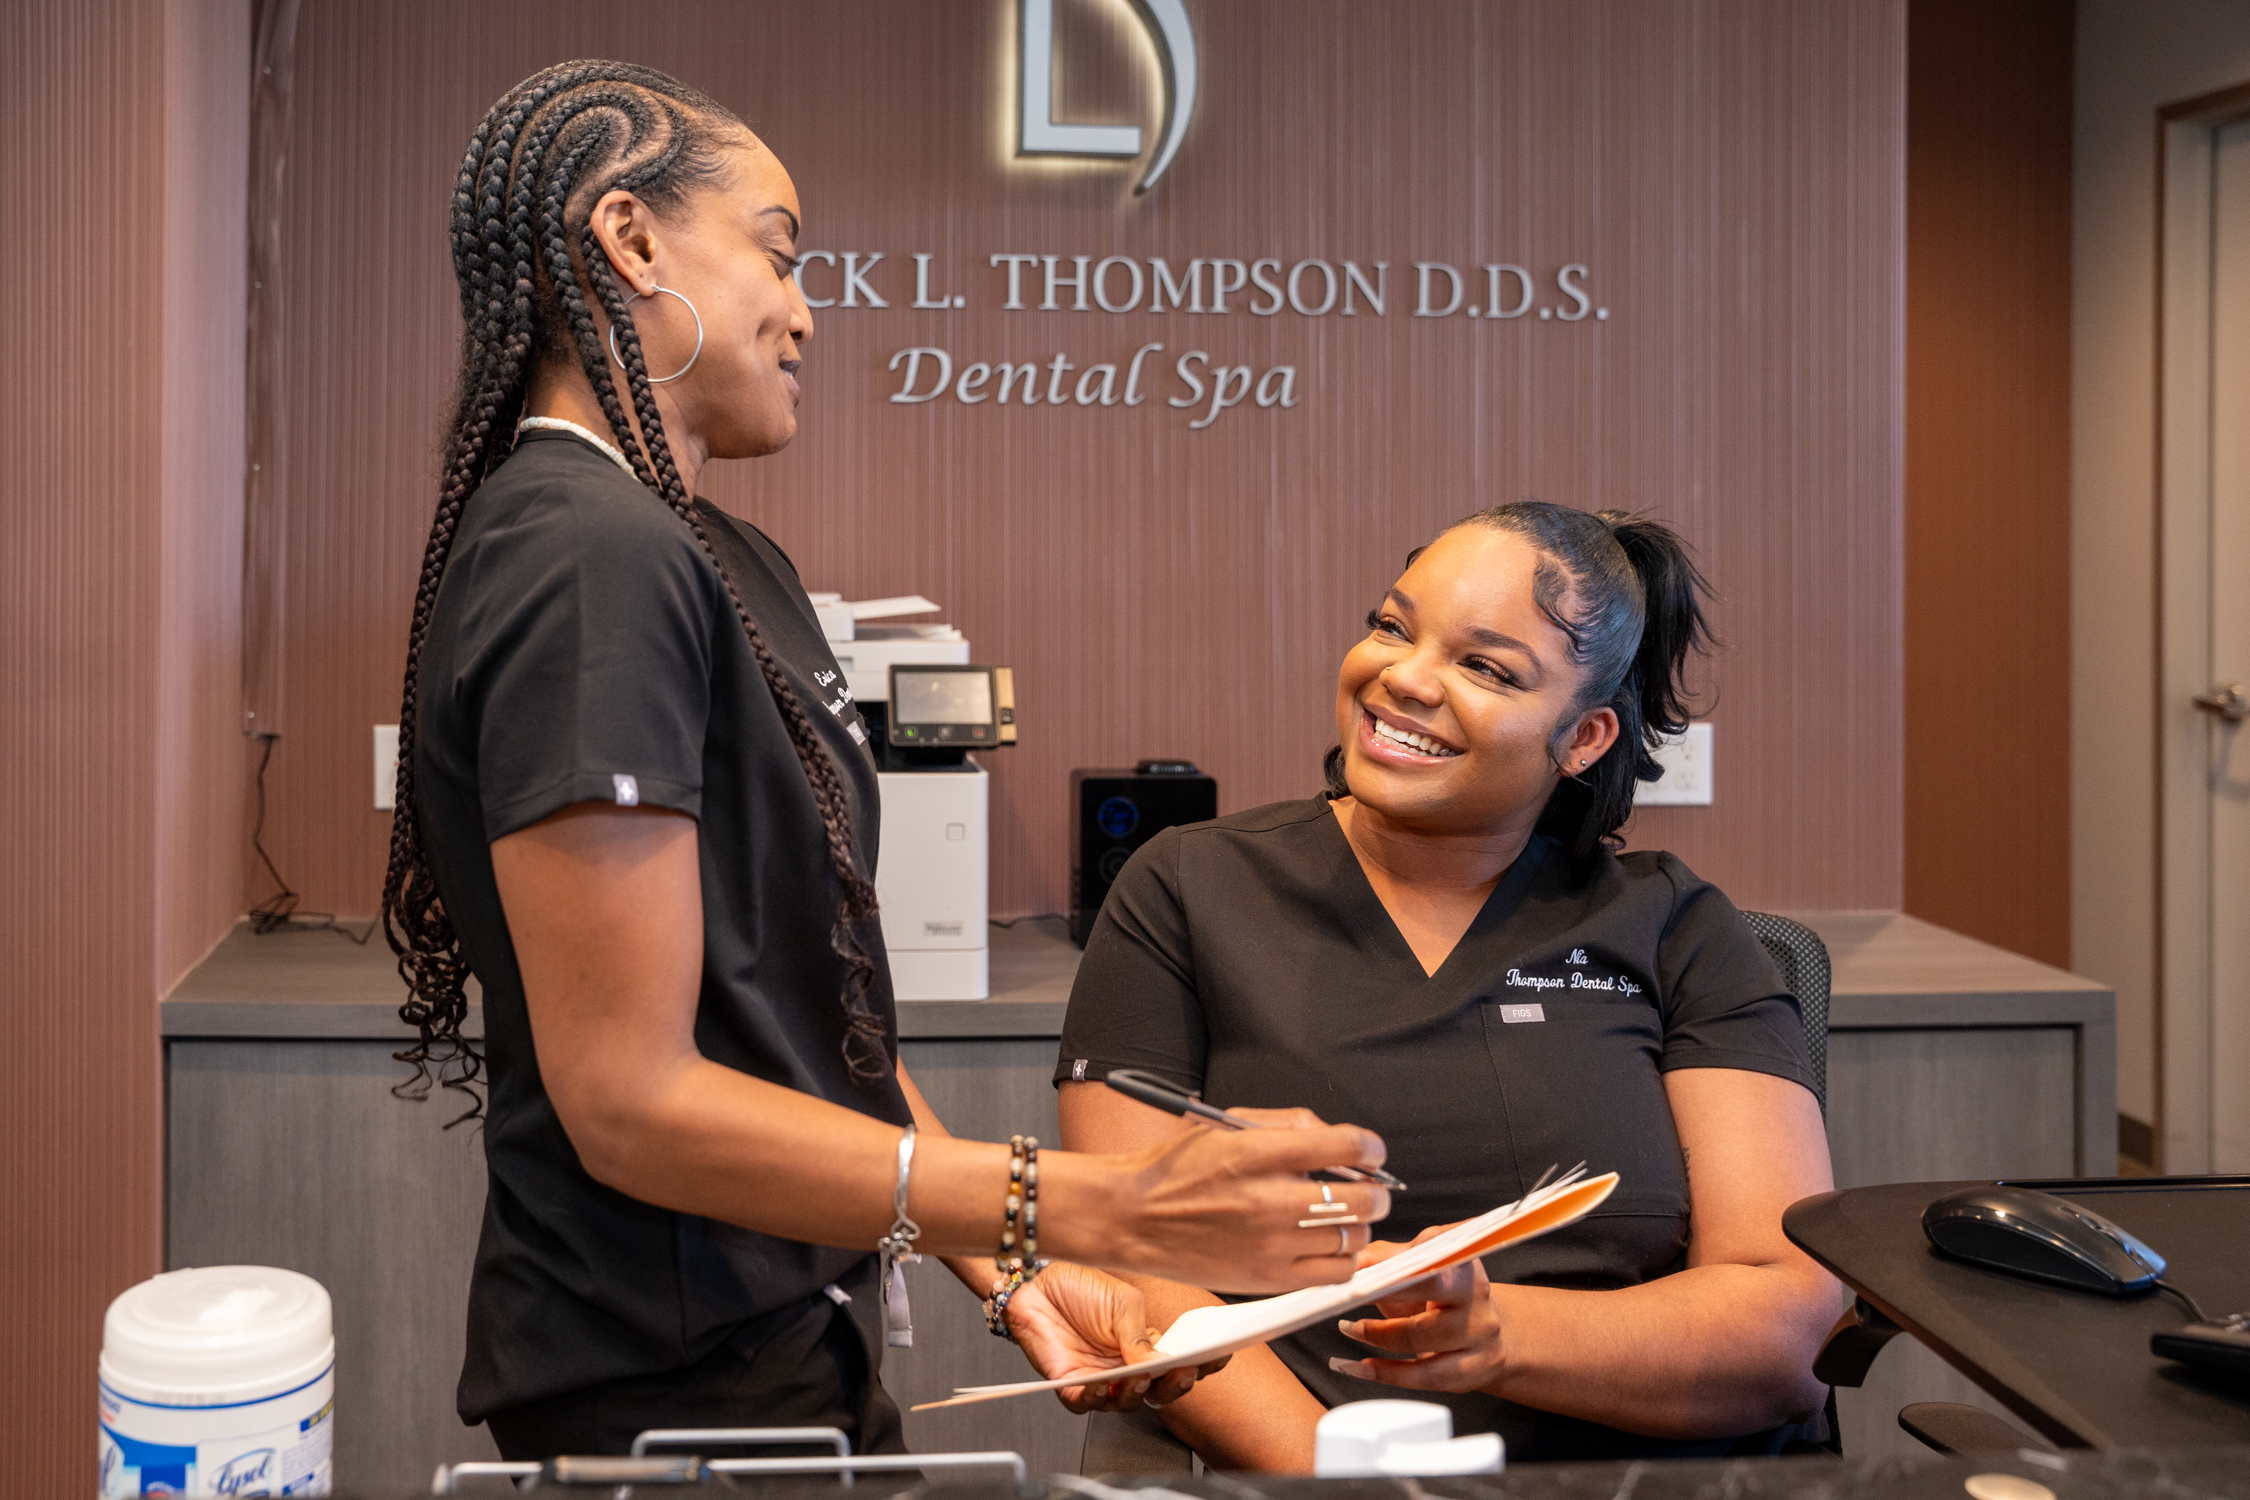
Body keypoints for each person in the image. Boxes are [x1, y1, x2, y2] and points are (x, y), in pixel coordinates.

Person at [379, 61, 1391, 1460]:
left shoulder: (717, 558)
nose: (804, 313)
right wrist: (1098, 1208)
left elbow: (811, 1014)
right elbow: (626, 1102)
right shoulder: (579, 554)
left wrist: (1018, 1270)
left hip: (799, 1322)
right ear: (630, 239)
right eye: (778, 257)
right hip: (667, 1377)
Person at [1057, 503, 1841, 1466]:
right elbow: (1134, 1258)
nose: (1402, 678)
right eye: (1392, 626)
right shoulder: (1189, 887)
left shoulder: (1676, 927)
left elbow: (1784, 1326)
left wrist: (1494, 1334)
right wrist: (1347, 1475)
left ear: (1585, 736)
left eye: (1485, 667)